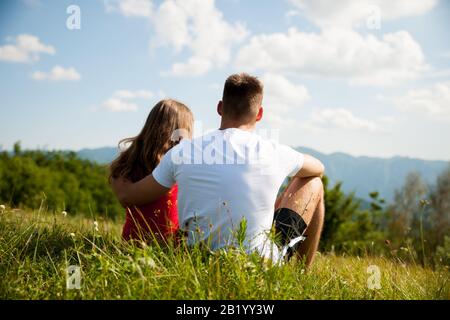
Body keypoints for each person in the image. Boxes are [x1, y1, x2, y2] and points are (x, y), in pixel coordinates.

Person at [111, 74, 325, 267]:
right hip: (258, 264)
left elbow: (131, 196)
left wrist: (119, 173)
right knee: (314, 182)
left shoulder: (182, 152)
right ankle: (300, 273)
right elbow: (318, 168)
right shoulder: (275, 151)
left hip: (195, 258)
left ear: (220, 108)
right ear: (259, 114)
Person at [109, 99, 193, 243]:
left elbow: (121, 192)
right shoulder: (179, 164)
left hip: (133, 242)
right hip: (170, 247)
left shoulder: (130, 161)